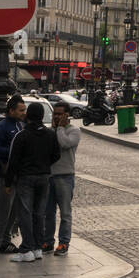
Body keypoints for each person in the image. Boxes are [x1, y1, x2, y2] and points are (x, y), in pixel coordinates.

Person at [5, 103, 60, 263]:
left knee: (25, 213)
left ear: (28, 115)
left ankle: (26, 248)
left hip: (26, 177)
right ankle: (37, 247)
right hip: (44, 177)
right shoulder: (50, 134)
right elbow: (56, 155)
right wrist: (44, 164)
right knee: (39, 213)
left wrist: (8, 183)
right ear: (42, 116)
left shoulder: (22, 135)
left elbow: (13, 161)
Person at [0, 95, 26, 257]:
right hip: (5, 174)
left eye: (24, 110)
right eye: (20, 110)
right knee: (3, 209)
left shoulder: (21, 126)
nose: (23, 113)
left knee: (14, 211)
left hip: (19, 174)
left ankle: (5, 240)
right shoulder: (2, 127)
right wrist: (13, 152)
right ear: (11, 110)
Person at [43, 102, 80, 255]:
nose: (57, 116)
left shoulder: (74, 131)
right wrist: (54, 129)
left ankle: (64, 243)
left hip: (65, 176)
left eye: (60, 114)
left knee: (65, 213)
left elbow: (64, 144)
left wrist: (58, 128)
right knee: (48, 212)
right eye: (55, 114)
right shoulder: (49, 131)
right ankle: (48, 241)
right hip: (49, 176)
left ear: (67, 115)